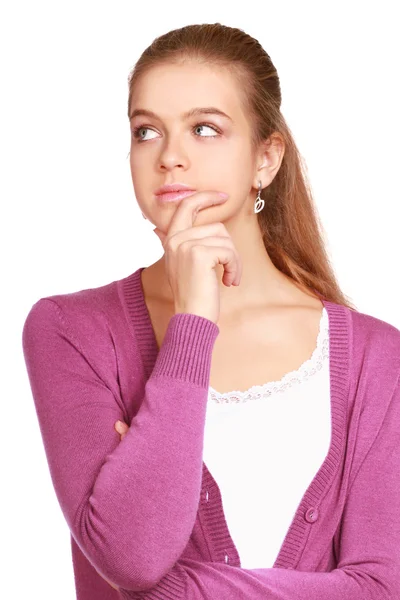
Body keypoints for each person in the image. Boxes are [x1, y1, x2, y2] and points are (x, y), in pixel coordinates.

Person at [22, 22, 400, 599]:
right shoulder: (68, 331)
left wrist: (179, 591)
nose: (170, 157)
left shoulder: (378, 358)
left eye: (204, 129)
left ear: (265, 159)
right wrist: (194, 317)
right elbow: (132, 556)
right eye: (147, 131)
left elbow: (381, 586)